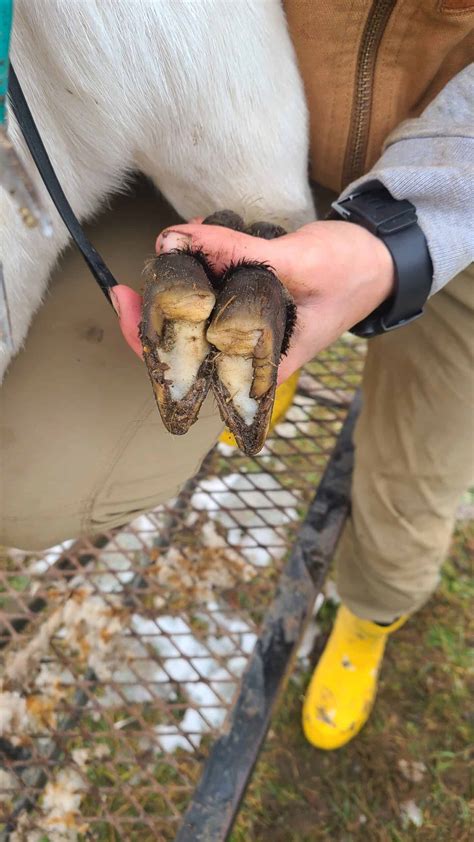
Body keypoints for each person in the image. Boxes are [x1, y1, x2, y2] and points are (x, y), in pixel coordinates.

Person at [2, 3, 473, 752]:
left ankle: (371, 613)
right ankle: (263, 355)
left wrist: (404, 237)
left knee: (418, 468)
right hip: (227, 132)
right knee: (32, 472)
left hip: (457, 203)